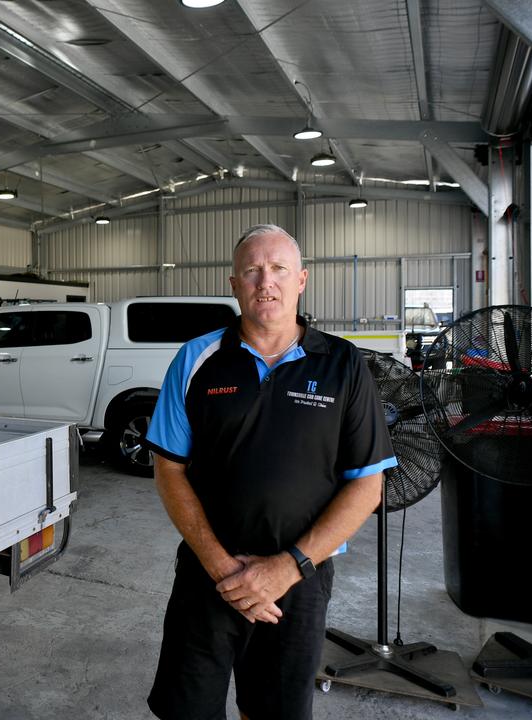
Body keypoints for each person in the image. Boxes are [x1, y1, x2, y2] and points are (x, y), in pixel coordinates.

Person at [144, 224, 396, 720]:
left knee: (273, 711)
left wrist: (285, 568)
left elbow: (368, 484)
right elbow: (169, 469)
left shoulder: (343, 364)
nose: (266, 281)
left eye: (279, 268)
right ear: (233, 284)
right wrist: (225, 571)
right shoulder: (197, 360)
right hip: (207, 574)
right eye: (252, 270)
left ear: (301, 280)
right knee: (188, 709)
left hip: (299, 581)